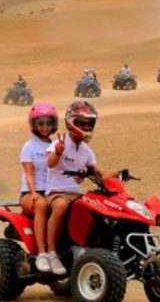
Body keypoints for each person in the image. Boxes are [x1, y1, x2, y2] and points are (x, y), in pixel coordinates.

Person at [44, 101, 114, 276]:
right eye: (82, 123)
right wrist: (59, 152)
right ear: (71, 122)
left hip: (77, 193)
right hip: (57, 191)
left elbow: (98, 172)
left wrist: (115, 176)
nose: (86, 126)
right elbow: (50, 164)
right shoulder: (58, 144)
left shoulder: (87, 151)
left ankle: (81, 247)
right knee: (60, 206)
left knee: (96, 209)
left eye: (89, 123)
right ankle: (51, 253)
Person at [19, 103, 58, 272]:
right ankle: (42, 253)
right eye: (40, 123)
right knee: (41, 205)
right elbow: (29, 173)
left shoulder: (57, 144)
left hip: (51, 191)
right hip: (30, 192)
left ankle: (58, 250)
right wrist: (34, 192)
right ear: (34, 125)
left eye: (48, 123)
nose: (45, 127)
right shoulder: (29, 146)